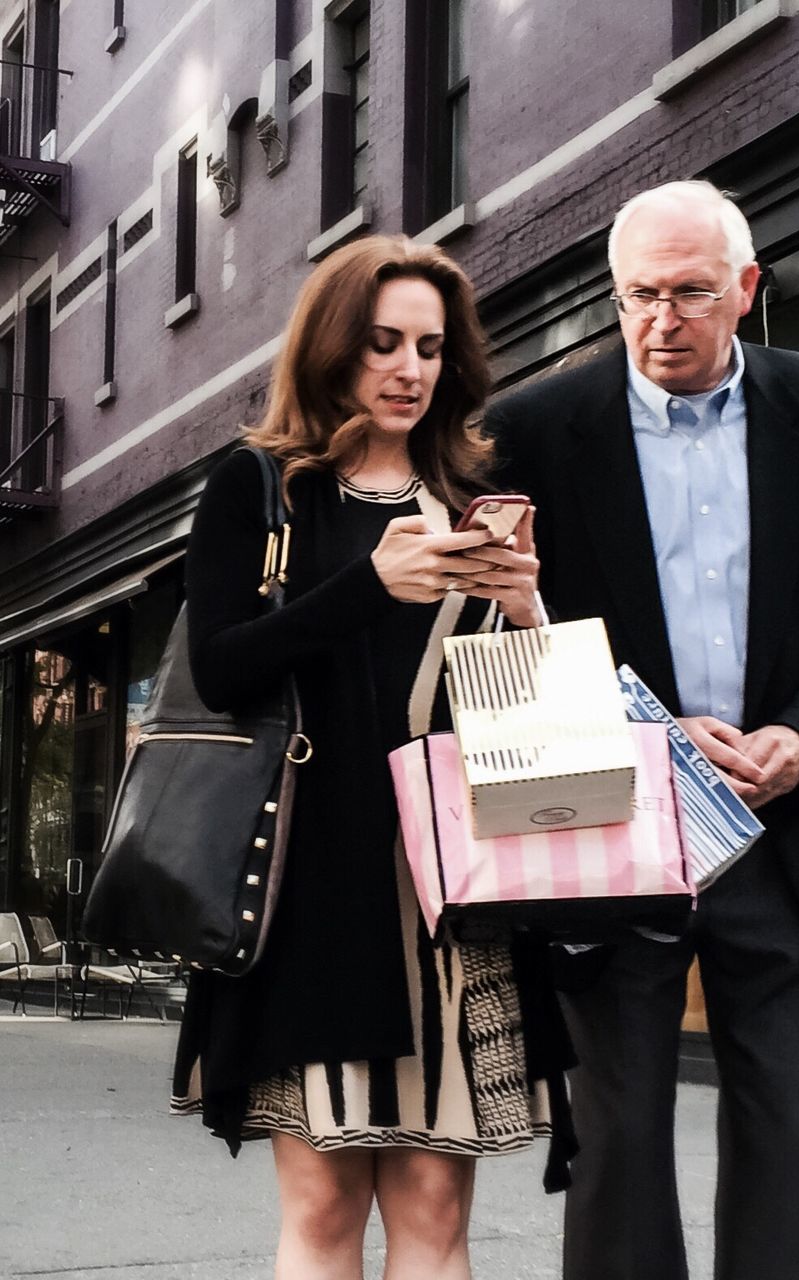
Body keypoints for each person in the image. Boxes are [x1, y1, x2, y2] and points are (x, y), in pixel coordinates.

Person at [485, 181, 799, 1280]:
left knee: (789, 1131)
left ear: (745, 289)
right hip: (615, 831)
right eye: (638, 295)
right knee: (616, 1140)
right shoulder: (536, 430)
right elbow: (503, 641)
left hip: (781, 834)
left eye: (688, 293)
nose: (660, 321)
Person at [171, 236, 572, 1280]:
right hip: (313, 888)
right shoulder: (260, 489)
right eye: (383, 341)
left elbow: (526, 721)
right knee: (326, 1198)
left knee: (437, 1202)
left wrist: (525, 607)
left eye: (430, 347)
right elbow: (217, 669)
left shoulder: (467, 494)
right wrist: (362, 588)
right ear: (334, 348)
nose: (408, 367)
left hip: (454, 895)